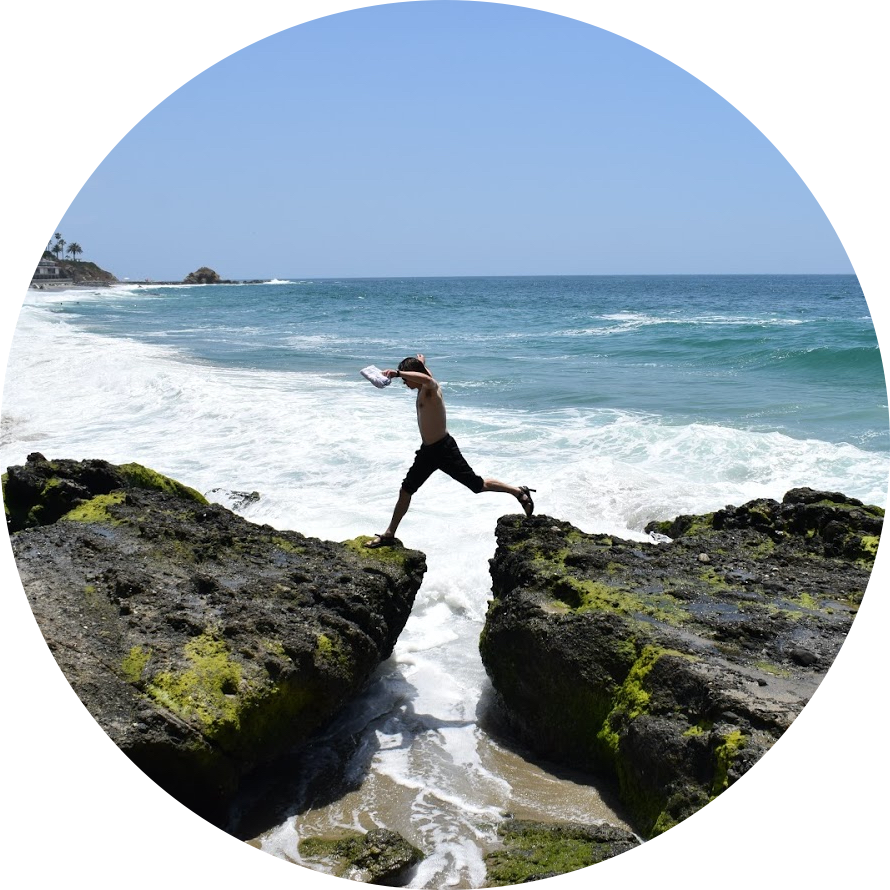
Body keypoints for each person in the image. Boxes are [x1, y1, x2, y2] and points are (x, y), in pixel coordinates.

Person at [364, 353, 535, 548]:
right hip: (427, 452)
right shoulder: (423, 384)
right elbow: (424, 374)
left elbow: (426, 378)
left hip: (445, 450)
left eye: (405, 380)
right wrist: (420, 363)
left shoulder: (430, 388)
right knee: (406, 490)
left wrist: (398, 372)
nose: (404, 383)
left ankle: (518, 492)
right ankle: (389, 534)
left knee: (477, 486)